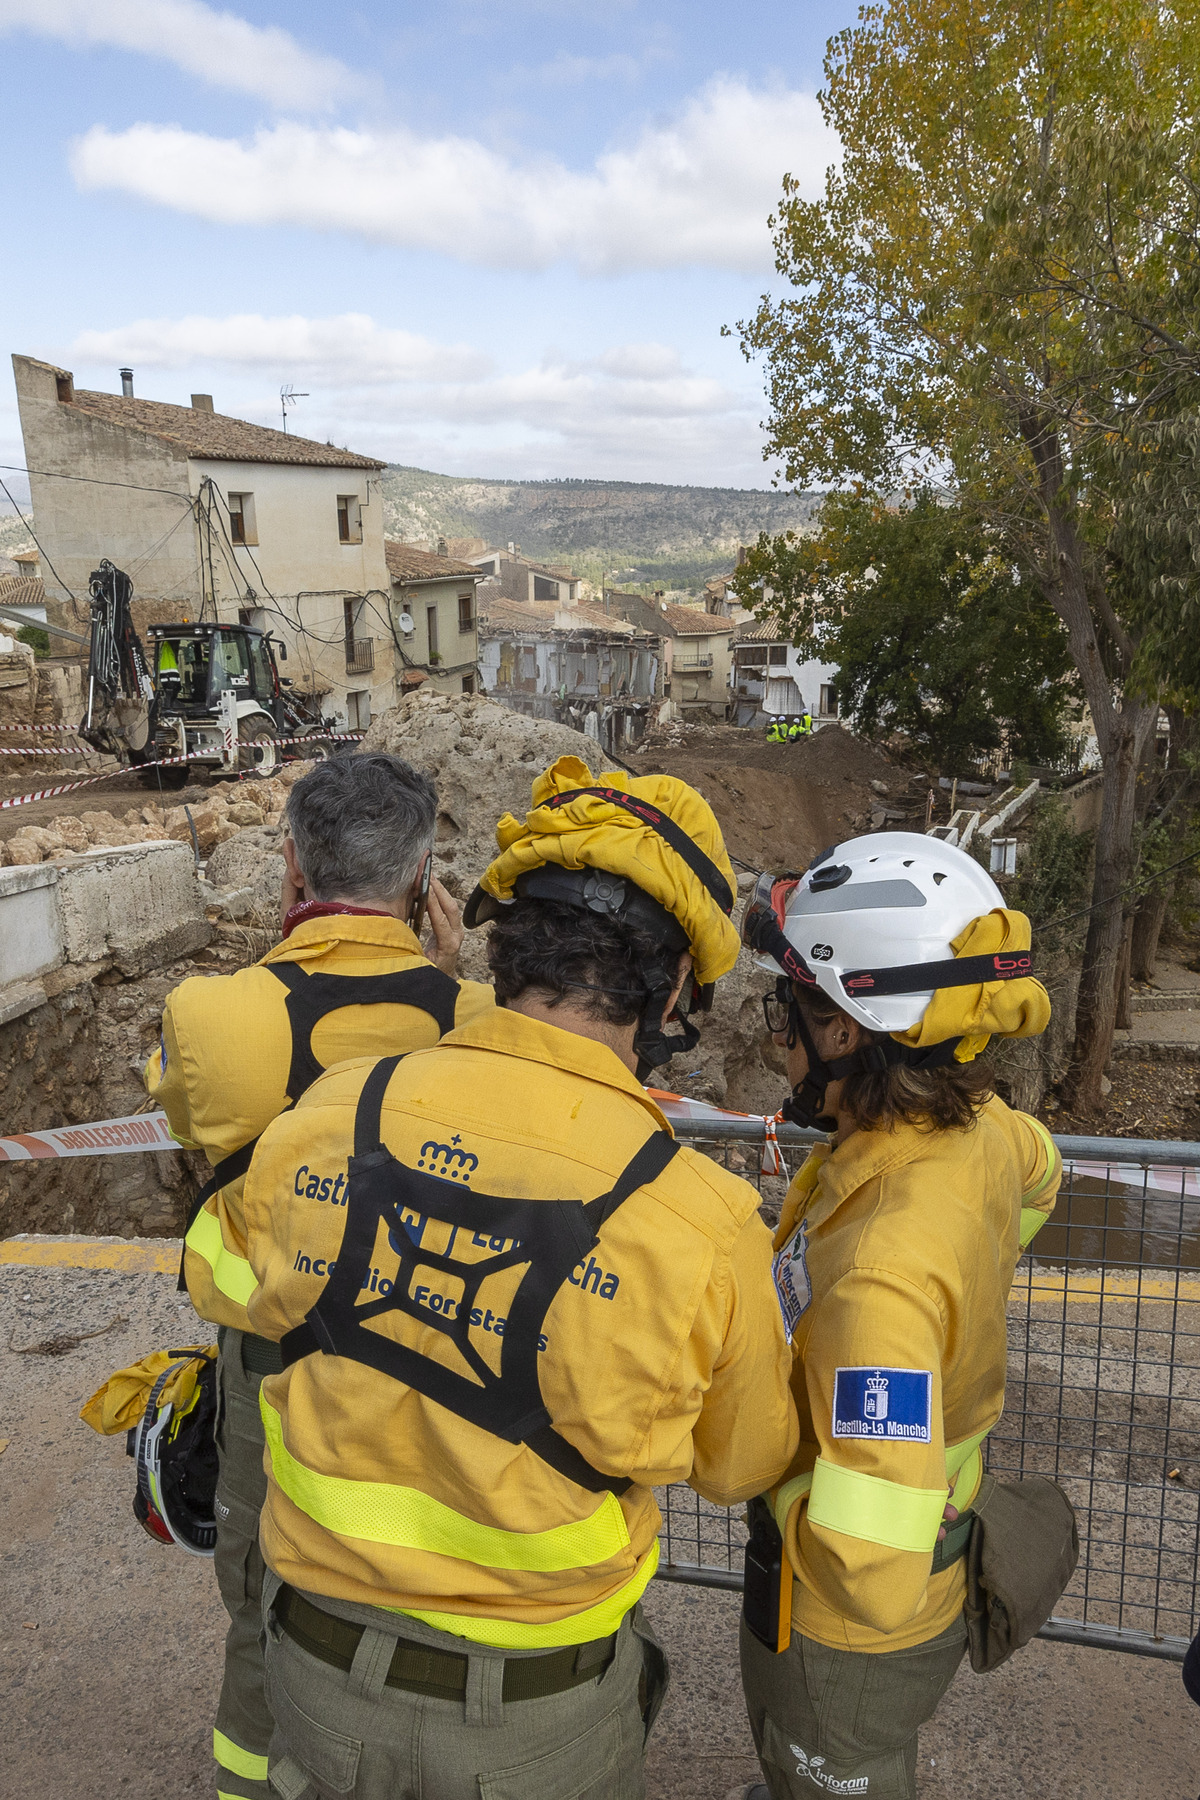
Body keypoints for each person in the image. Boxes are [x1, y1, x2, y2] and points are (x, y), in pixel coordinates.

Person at [239, 755, 799, 1800]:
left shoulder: (330, 1114)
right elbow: (740, 1465)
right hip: (535, 1714)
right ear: (676, 986)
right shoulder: (698, 1219)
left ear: (491, 938)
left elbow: (236, 1287)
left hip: (311, 1671)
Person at [145, 753, 494, 1800]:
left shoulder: (211, 1016)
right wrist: (449, 965)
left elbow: (196, 1119)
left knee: (267, 1595)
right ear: (426, 874)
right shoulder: (477, 1020)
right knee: (429, 1586)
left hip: (276, 1362)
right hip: (437, 1349)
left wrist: (283, 941)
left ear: (291, 867)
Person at [729, 831, 1062, 1800]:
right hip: (933, 1563)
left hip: (842, 1630)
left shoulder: (882, 1268)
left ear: (843, 1029)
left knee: (831, 1762)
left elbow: (870, 1557)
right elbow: (1041, 1175)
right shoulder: (980, 1131)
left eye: (787, 1003)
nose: (776, 1029)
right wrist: (962, 1281)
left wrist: (776, 1477)